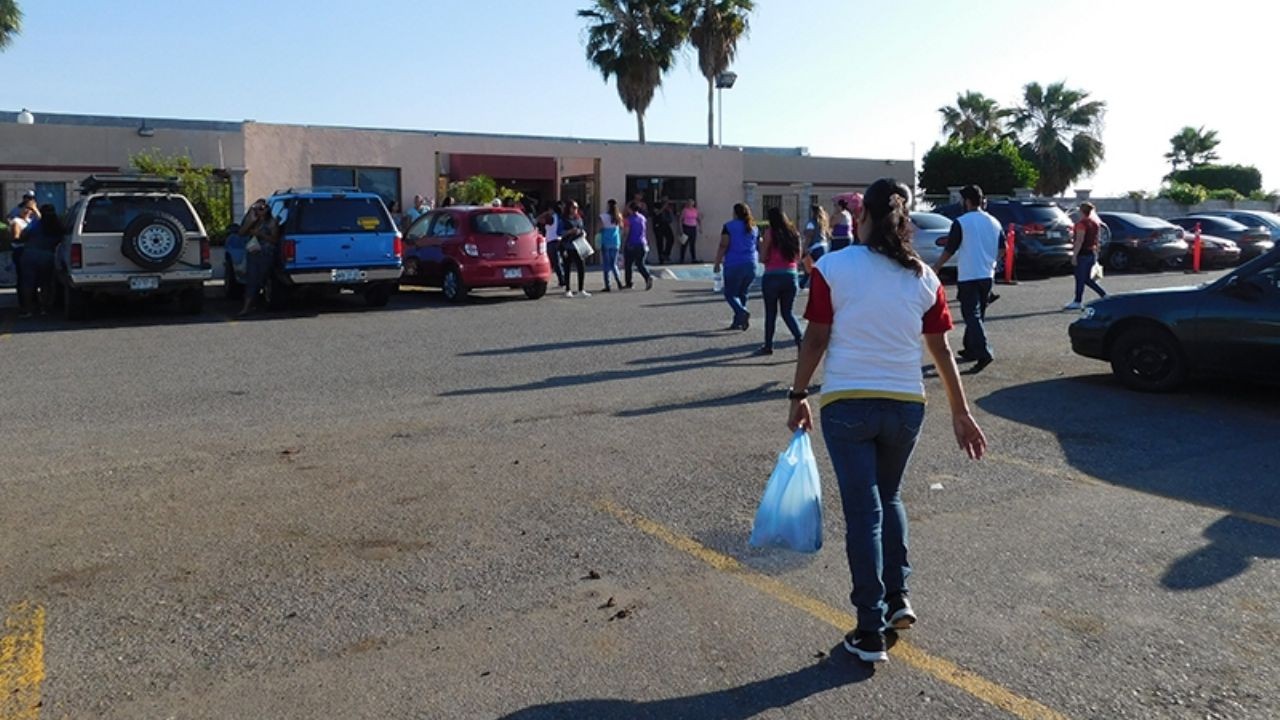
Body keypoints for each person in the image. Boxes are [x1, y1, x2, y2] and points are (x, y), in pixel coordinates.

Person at [788, 177, 987, 664]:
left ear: (864, 217)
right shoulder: (923, 277)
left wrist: (798, 395)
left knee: (863, 511)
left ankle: (868, 627)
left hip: (848, 402)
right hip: (905, 406)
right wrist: (961, 412)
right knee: (889, 496)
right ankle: (898, 600)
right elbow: (940, 350)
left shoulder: (833, 267)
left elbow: (815, 339)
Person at [931, 184, 1001, 372]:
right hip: (987, 275)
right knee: (979, 315)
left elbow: (950, 248)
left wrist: (937, 266)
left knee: (971, 315)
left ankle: (983, 352)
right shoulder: (994, 222)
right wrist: (993, 263)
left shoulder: (962, 222)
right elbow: (1003, 248)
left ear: (967, 201)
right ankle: (971, 348)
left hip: (969, 274)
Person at [757, 207, 805, 354]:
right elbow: (799, 256)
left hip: (772, 275)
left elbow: (763, 256)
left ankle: (768, 345)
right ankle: (800, 339)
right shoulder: (793, 233)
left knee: (770, 313)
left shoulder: (770, 233)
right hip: (790, 275)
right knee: (788, 312)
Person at [714, 203, 759, 330]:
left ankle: (741, 312)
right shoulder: (754, 227)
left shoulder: (729, 226)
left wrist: (717, 262)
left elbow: (724, 245)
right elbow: (757, 245)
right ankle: (738, 321)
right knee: (743, 293)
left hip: (734, 263)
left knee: (730, 294)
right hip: (751, 263)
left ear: (735, 213)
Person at [17, 203, 62, 316]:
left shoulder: (36, 224)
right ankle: (45, 308)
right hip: (47, 256)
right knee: (45, 284)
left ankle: (28, 309)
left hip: (30, 255)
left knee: (28, 283)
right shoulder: (56, 225)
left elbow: (23, 235)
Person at [238, 199, 280, 317]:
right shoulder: (253, 221)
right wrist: (251, 218)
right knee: (252, 280)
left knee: (262, 279)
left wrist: (261, 234)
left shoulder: (272, 222)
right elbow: (241, 233)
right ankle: (247, 307)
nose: (260, 211)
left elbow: (274, 240)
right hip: (253, 253)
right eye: (258, 208)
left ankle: (258, 302)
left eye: (262, 208)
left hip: (266, 253)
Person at [1065, 202, 1107, 310]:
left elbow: (1079, 240)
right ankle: (1103, 295)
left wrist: (1074, 255)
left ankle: (1078, 301)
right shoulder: (1095, 223)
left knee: (1080, 278)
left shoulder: (1081, 224)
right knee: (1087, 279)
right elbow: (1097, 239)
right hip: (1091, 253)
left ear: (1081, 211)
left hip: (1082, 254)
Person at [8, 198, 38, 313]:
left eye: (29, 209)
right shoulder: (17, 221)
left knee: (33, 278)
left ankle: (34, 301)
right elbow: (16, 237)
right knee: (23, 278)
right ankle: (24, 304)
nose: (27, 211)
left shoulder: (31, 220)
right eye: (26, 208)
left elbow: (41, 220)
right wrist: (26, 235)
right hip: (20, 251)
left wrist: (35, 210)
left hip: (31, 251)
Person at [558, 200, 590, 298]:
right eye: (574, 208)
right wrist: (570, 231)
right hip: (568, 246)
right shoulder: (563, 220)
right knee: (567, 268)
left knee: (581, 267)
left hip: (579, 245)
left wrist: (583, 233)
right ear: (569, 208)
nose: (576, 210)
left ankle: (581, 289)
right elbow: (559, 232)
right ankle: (568, 289)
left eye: (577, 208)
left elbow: (582, 228)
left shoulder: (579, 218)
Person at [623, 202, 653, 290]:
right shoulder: (642, 218)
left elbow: (627, 232)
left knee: (628, 264)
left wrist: (624, 241)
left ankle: (629, 283)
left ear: (630, 209)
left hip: (632, 243)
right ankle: (647, 276)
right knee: (640, 263)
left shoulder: (629, 219)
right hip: (642, 243)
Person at [800, 205, 830, 289]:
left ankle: (803, 283)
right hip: (824, 245)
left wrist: (805, 248)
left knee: (808, 266)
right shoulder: (823, 221)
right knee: (821, 267)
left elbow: (809, 237)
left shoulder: (811, 223)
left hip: (815, 247)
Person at [598, 199, 624, 292]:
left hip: (606, 241)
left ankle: (607, 285)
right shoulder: (619, 216)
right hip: (616, 241)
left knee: (606, 264)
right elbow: (621, 227)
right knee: (614, 263)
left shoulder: (603, 216)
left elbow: (600, 228)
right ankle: (619, 281)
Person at [538, 201, 566, 289]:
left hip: (551, 241)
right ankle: (562, 279)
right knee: (557, 261)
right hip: (558, 239)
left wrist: (544, 213)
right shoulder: (559, 217)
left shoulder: (550, 218)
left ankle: (561, 280)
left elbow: (538, 220)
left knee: (554, 262)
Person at [654, 196, 676, 264]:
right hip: (658, 224)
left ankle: (666, 254)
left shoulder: (669, 206)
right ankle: (661, 259)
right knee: (660, 242)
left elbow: (672, 215)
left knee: (671, 238)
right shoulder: (656, 204)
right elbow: (657, 213)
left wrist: (669, 210)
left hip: (665, 224)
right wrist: (664, 207)